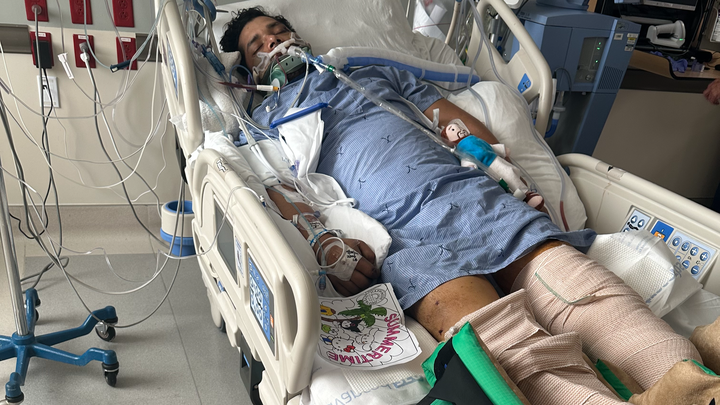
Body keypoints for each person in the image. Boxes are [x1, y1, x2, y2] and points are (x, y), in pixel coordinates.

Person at [219, 7, 718, 404]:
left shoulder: (369, 73)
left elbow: (449, 119)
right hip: (399, 236)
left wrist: (497, 165)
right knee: (503, 344)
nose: (273, 43)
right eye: (257, 44)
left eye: (277, 31)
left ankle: (696, 387)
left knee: (588, 298)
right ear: (248, 68)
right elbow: (274, 185)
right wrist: (322, 239)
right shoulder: (263, 118)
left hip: (471, 197)